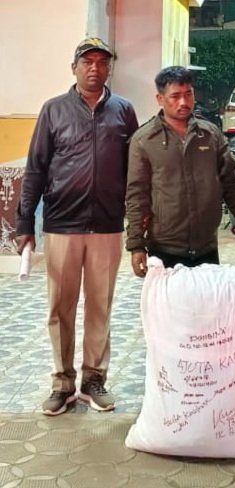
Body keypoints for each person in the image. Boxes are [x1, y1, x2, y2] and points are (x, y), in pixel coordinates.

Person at [15, 37, 139, 416]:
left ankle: (93, 381)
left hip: (107, 226)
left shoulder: (123, 111)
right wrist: (25, 221)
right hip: (62, 225)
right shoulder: (53, 110)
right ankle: (62, 383)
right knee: (60, 307)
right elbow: (35, 168)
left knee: (100, 306)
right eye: (87, 62)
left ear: (109, 68)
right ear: (74, 68)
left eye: (102, 62)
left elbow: (134, 170)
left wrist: (138, 220)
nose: (94, 68)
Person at [125, 66, 235, 275]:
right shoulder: (144, 140)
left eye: (188, 94)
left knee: (207, 297)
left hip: (206, 246)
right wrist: (136, 246)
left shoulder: (210, 134)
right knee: (170, 299)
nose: (183, 102)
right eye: (175, 96)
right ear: (160, 99)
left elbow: (230, 183)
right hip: (164, 248)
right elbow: (136, 196)